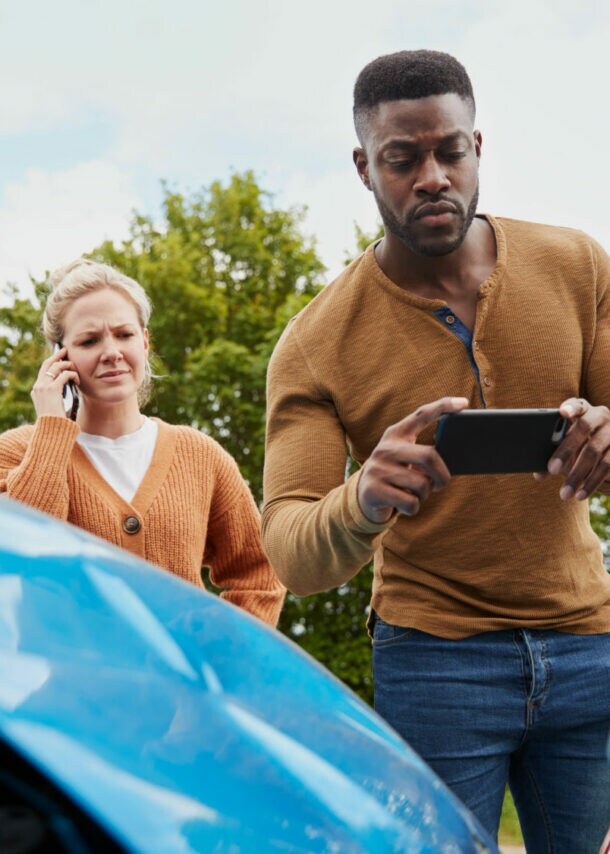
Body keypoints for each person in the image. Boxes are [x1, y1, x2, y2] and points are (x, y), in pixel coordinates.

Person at [262, 49, 610, 850]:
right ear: (363, 166)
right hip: (435, 661)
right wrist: (362, 500)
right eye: (402, 157)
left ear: (477, 148)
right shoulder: (315, 343)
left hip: (585, 640)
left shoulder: (578, 265)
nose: (432, 176)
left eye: (449, 151)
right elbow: (292, 552)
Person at [0, 258, 285, 627]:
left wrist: (223, 659)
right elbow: (22, 556)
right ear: (60, 355)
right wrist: (52, 428)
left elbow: (258, 575)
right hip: (68, 683)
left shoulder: (199, 455)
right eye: (89, 340)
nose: (111, 352)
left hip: (178, 685)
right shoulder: (17, 453)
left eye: (124, 334)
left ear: (145, 340)